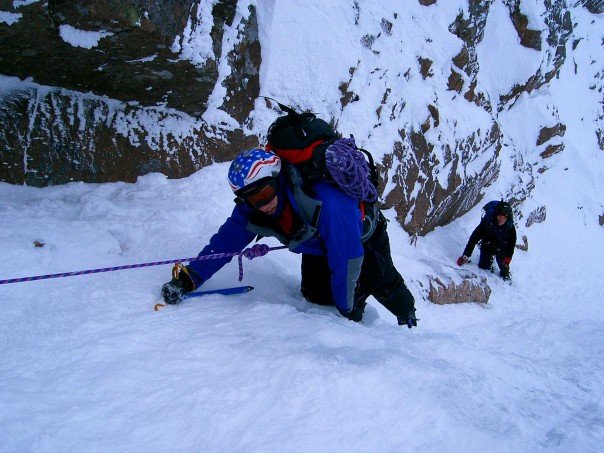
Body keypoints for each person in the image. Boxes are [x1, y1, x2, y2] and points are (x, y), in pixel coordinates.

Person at [161, 148, 418, 328]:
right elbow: (225, 243)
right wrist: (190, 278)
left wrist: (347, 310)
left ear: (278, 179)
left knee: (376, 277)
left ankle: (407, 318)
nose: (262, 205)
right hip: (318, 243)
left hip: (362, 236)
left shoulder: (327, 202)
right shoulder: (255, 206)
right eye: (252, 200)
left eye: (264, 194)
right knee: (315, 296)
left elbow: (347, 259)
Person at [456, 201, 517, 280]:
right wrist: (466, 255)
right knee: (483, 266)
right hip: (488, 243)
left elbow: (511, 244)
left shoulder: (510, 227)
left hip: (502, 247)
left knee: (504, 265)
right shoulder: (488, 221)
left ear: (507, 218)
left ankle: (505, 274)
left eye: (504, 218)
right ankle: (489, 263)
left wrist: (508, 257)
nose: (501, 219)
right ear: (496, 215)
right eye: (499, 216)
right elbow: (474, 238)